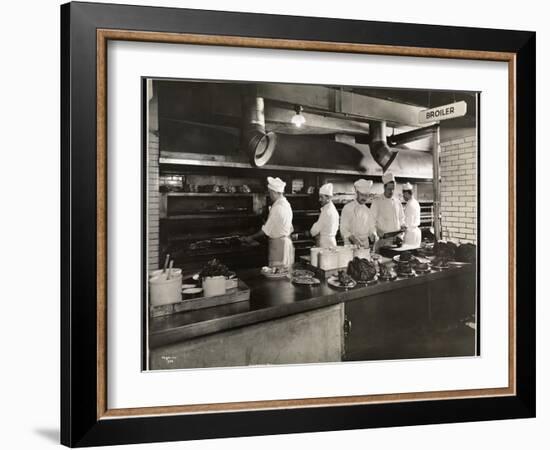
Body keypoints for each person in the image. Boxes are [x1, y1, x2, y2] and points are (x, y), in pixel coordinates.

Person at [246, 177, 295, 266]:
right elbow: (291, 228)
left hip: (278, 245)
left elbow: (265, 231)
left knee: (276, 273)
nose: (269, 195)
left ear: (274, 192)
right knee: (285, 273)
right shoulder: (287, 204)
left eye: (270, 192)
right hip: (287, 242)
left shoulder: (277, 207)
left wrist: (250, 237)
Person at [371, 172, 405, 250]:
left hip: (397, 240)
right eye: (389, 189)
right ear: (384, 188)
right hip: (383, 240)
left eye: (393, 189)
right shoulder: (377, 201)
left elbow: (401, 218)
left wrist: (403, 226)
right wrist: (376, 230)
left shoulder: (397, 201)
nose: (391, 192)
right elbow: (371, 221)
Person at [340, 179, 377, 247]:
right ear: (356, 193)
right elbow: (343, 229)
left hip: (365, 246)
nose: (364, 198)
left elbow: (371, 228)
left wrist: (373, 234)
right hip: (351, 246)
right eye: (362, 195)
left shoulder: (368, 211)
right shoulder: (347, 208)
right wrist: (353, 239)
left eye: (367, 195)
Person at [310, 183, 339, 248]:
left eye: (321, 197)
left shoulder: (327, 211)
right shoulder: (333, 210)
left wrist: (312, 231)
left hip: (325, 243)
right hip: (332, 242)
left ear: (328, 198)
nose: (319, 199)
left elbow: (315, 230)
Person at [402, 182, 422, 247]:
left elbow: (407, 222)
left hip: (410, 234)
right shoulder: (416, 202)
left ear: (407, 193)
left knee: (408, 253)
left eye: (404, 194)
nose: (403, 196)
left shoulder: (409, 205)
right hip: (417, 232)